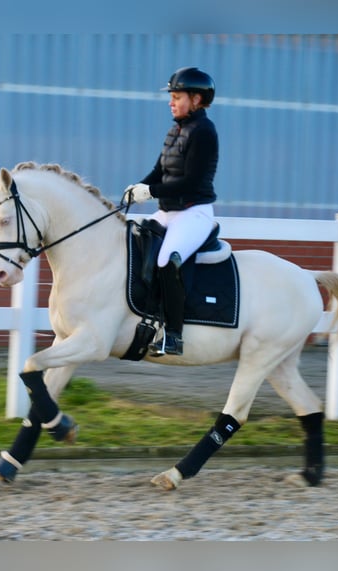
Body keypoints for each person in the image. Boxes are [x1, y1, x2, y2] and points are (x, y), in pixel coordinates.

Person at [123, 66, 219, 356]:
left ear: (197, 99)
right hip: (168, 212)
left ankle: (174, 335)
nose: (171, 102)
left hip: (194, 212)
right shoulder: (176, 129)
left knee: (167, 260)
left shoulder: (204, 131)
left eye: (177, 97)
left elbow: (189, 182)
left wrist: (150, 192)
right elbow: (159, 171)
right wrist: (138, 186)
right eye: (172, 96)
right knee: (134, 242)